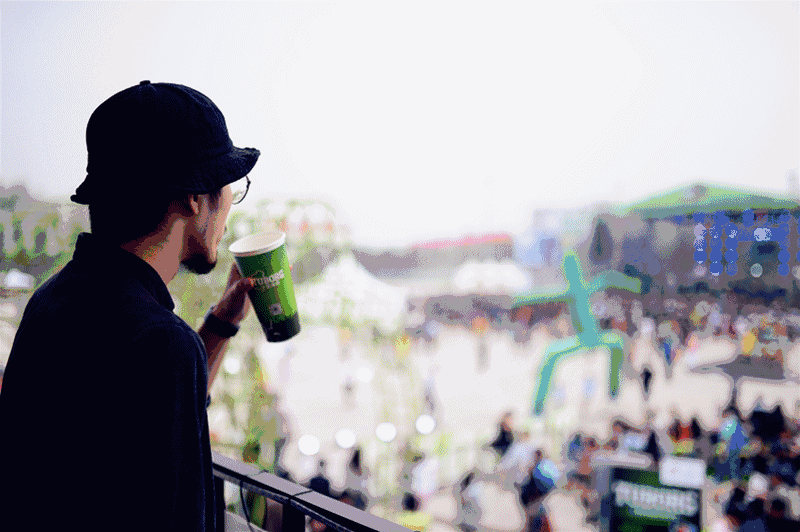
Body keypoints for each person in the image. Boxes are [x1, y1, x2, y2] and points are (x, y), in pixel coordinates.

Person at [0, 81, 259, 531]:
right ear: (194, 196)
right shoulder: (161, 342)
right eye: (229, 188)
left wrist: (222, 322)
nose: (228, 207)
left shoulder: (54, 300)